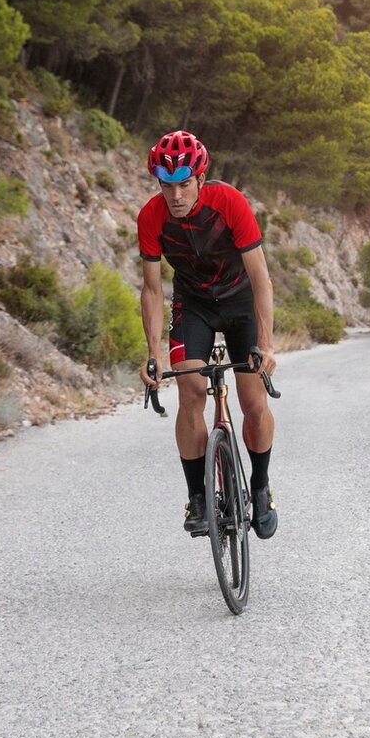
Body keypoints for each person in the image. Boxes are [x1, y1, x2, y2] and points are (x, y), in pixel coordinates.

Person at [136, 130, 279, 539]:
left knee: (253, 401)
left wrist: (266, 345)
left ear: (200, 178)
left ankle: (261, 485)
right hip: (193, 305)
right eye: (167, 186)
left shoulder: (230, 202)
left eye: (184, 184)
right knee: (191, 393)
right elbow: (151, 288)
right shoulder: (151, 216)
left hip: (240, 302)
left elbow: (261, 277)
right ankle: (197, 499)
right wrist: (153, 355)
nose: (176, 195)